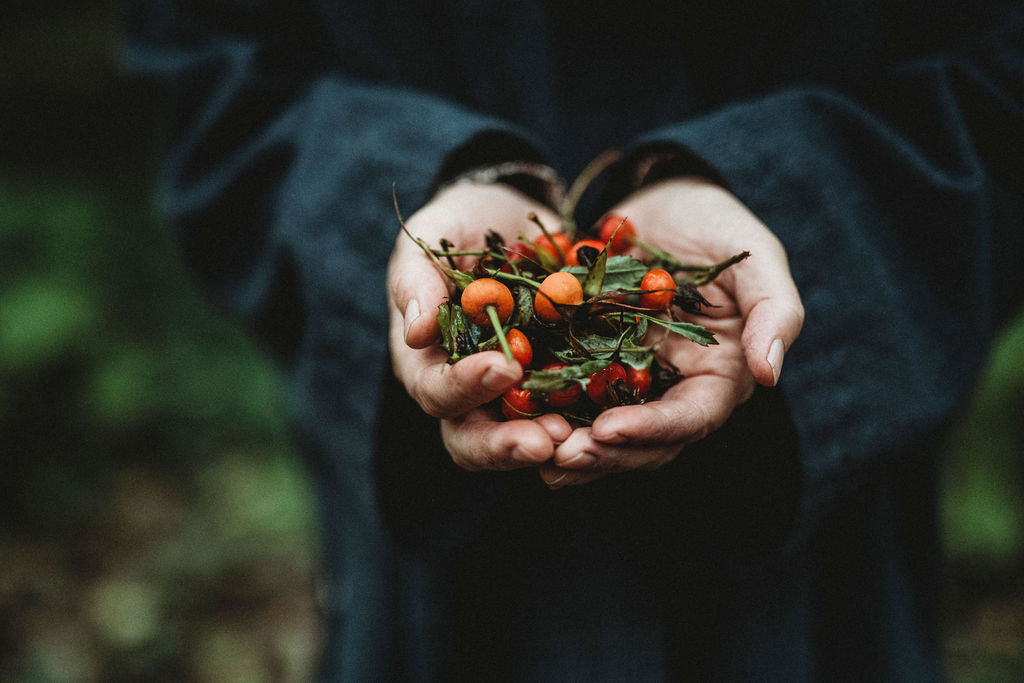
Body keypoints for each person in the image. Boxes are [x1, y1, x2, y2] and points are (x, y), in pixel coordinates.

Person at [126, 1, 1024, 680]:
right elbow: (215, 77)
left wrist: (781, 191)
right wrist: (422, 183)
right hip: (436, 594)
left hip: (819, 580)